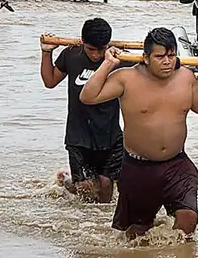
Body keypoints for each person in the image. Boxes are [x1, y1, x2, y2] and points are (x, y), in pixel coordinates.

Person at [79, 28, 198, 240]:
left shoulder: (186, 77)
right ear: (145, 57)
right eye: (160, 56)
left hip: (176, 164)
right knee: (137, 234)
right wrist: (108, 64)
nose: (167, 62)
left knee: (189, 217)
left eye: (171, 56)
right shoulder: (126, 78)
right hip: (138, 167)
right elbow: (88, 96)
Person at [41, 18, 131, 203]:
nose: (97, 55)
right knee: (85, 188)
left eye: (101, 49)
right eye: (91, 49)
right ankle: (66, 180)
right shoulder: (71, 55)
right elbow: (49, 81)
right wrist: (46, 52)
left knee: (106, 185)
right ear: (82, 42)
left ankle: (102, 224)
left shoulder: (119, 60)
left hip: (110, 133)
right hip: (78, 134)